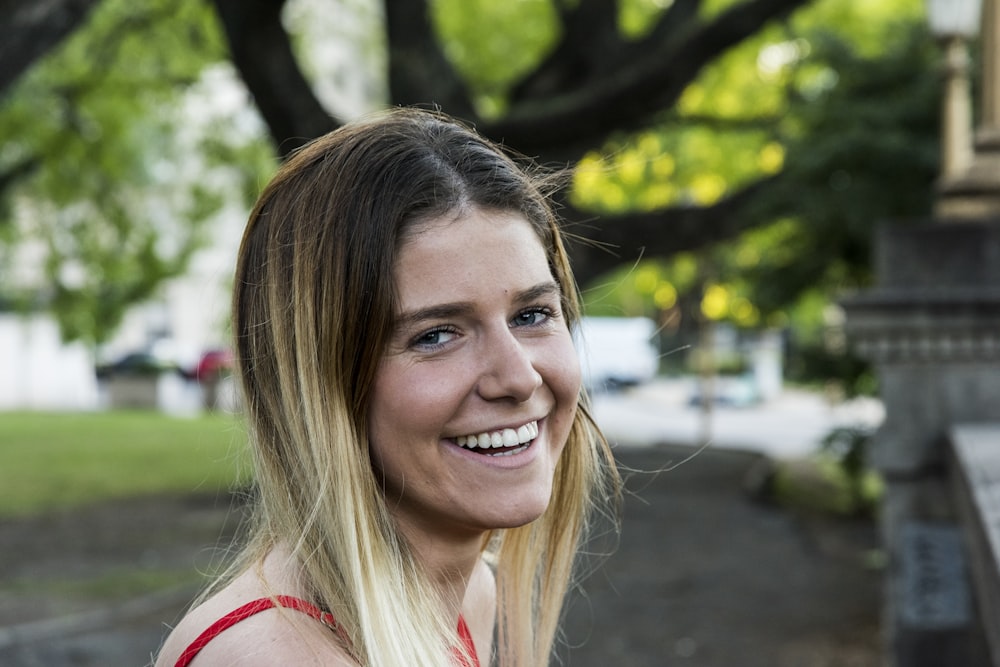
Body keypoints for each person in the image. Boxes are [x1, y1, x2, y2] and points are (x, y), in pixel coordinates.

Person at [153, 107, 621, 667]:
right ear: (318, 382)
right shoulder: (275, 657)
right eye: (436, 335)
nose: (519, 377)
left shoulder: (471, 597)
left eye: (532, 314)